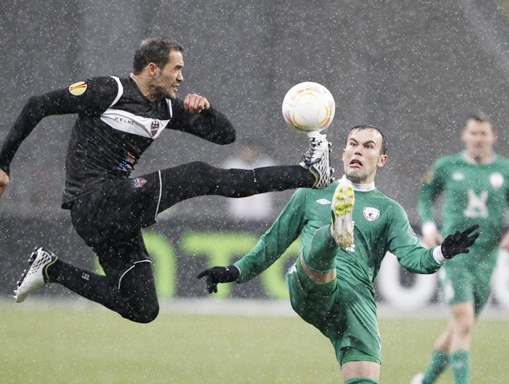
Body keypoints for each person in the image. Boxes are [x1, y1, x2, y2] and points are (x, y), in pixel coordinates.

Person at [0, 37, 334, 324]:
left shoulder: (166, 108)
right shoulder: (108, 90)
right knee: (199, 174)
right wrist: (2, 162)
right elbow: (36, 104)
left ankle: (52, 269)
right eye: (176, 69)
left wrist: (206, 110)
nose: (181, 77)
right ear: (152, 69)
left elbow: (226, 135)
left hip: (112, 215)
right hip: (94, 200)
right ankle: (309, 173)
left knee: (142, 309)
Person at [197, 124, 480, 384]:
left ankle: (337, 230)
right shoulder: (310, 193)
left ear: (381, 160)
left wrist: (442, 252)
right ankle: (335, 231)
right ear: (343, 153)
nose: (358, 150)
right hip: (310, 285)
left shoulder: (390, 210)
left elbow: (414, 258)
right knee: (322, 251)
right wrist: (236, 271)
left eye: (368, 146)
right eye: (353, 144)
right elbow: (274, 241)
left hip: (354, 301)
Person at [410, 114, 509, 384]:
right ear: (464, 135)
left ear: (493, 137)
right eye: (473, 133)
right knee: (464, 323)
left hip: (486, 259)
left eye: (483, 134)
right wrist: (429, 227)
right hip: (455, 256)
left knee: (459, 328)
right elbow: (425, 196)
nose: (478, 139)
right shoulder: (446, 166)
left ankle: (424, 380)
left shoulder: (505, 170)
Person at [223, 143, 276, 221]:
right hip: (238, 214)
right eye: (246, 151)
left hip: (261, 213)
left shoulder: (267, 165)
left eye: (251, 151)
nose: (249, 154)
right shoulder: (232, 166)